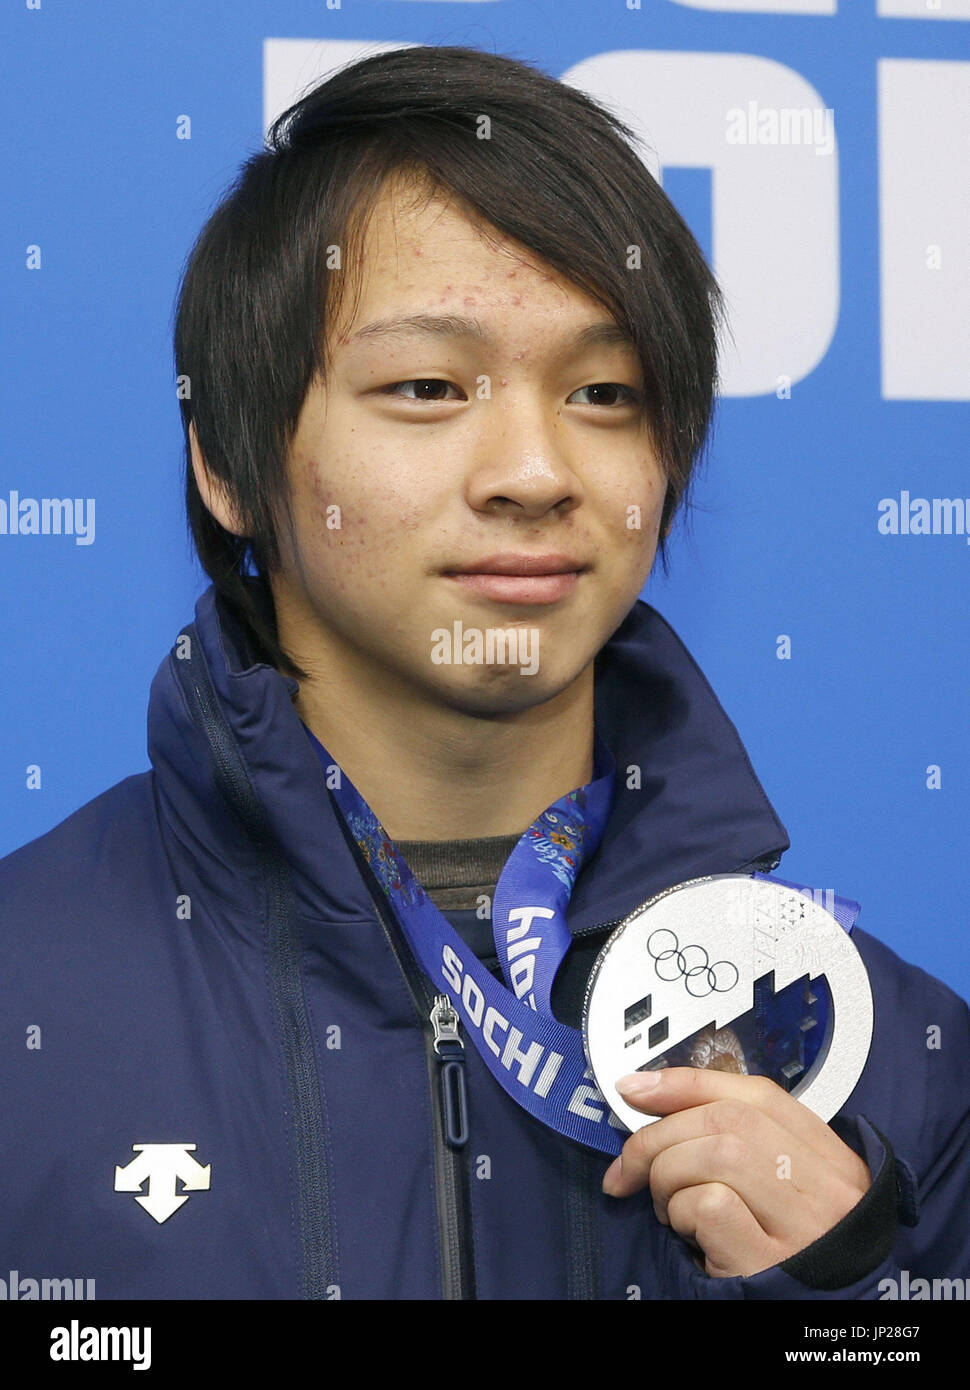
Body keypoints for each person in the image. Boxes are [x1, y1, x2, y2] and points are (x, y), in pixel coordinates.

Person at [1, 43, 967, 1302]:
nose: (534, 469)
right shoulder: (31, 1002)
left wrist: (843, 1303)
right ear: (227, 467)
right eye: (425, 386)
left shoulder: (890, 1063)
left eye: (606, 392)